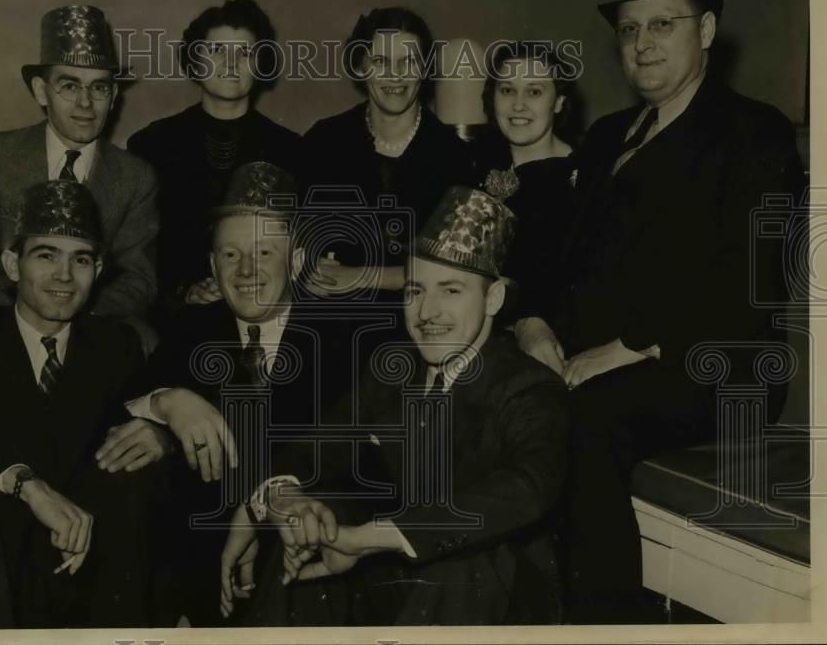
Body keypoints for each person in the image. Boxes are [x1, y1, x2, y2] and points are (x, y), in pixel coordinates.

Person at [511, 0, 806, 622]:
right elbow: (562, 254)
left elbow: (747, 278)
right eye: (630, 28)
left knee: (583, 418)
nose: (643, 42)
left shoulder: (752, 133)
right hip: (598, 354)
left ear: (705, 30)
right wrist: (533, 322)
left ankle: (604, 625)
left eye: (663, 23)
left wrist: (631, 346)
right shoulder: (610, 133)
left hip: (716, 363)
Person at [222, 186, 570, 626]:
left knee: (465, 553)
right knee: (319, 519)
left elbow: (525, 487)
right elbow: (316, 446)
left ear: (494, 299)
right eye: (414, 290)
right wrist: (276, 501)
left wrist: (373, 537)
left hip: (500, 598)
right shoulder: (393, 368)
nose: (427, 311)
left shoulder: (528, 386)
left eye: (451, 290)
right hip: (407, 583)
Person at [0, 180, 170, 628]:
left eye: (81, 259)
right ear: (13, 264)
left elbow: (136, 415)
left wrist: (161, 430)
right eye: (46, 255)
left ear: (99, 269)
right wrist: (27, 485)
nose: (65, 276)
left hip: (78, 549)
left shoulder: (115, 344)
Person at [124, 161, 354, 626]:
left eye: (263, 253)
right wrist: (167, 403)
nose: (246, 270)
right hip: (199, 565)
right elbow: (121, 403)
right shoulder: (191, 331)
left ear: (296, 260)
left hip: (305, 557)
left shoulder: (343, 338)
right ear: (211, 264)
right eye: (230, 255)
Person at [0, 5, 159, 353]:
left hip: (95, 326)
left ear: (114, 96)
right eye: (69, 85)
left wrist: (73, 324)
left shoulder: (135, 177)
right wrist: (34, 324)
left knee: (147, 348)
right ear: (41, 91)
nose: (86, 104)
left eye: (100, 88)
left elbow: (139, 280)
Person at [127, 0, 301, 331]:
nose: (231, 63)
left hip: (265, 313)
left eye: (245, 53)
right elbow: (137, 252)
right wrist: (183, 291)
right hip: (173, 317)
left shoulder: (290, 150)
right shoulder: (152, 145)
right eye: (217, 50)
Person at [299, 6, 475, 301]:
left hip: (422, 320)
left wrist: (362, 276)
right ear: (359, 66)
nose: (395, 75)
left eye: (409, 62)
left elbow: (458, 268)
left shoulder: (453, 157)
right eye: (380, 61)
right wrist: (307, 266)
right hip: (335, 319)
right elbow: (294, 241)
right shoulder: (324, 141)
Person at [473, 41, 580, 317]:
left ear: (558, 102)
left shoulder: (582, 179)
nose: (518, 104)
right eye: (507, 90)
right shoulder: (475, 166)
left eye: (534, 91)